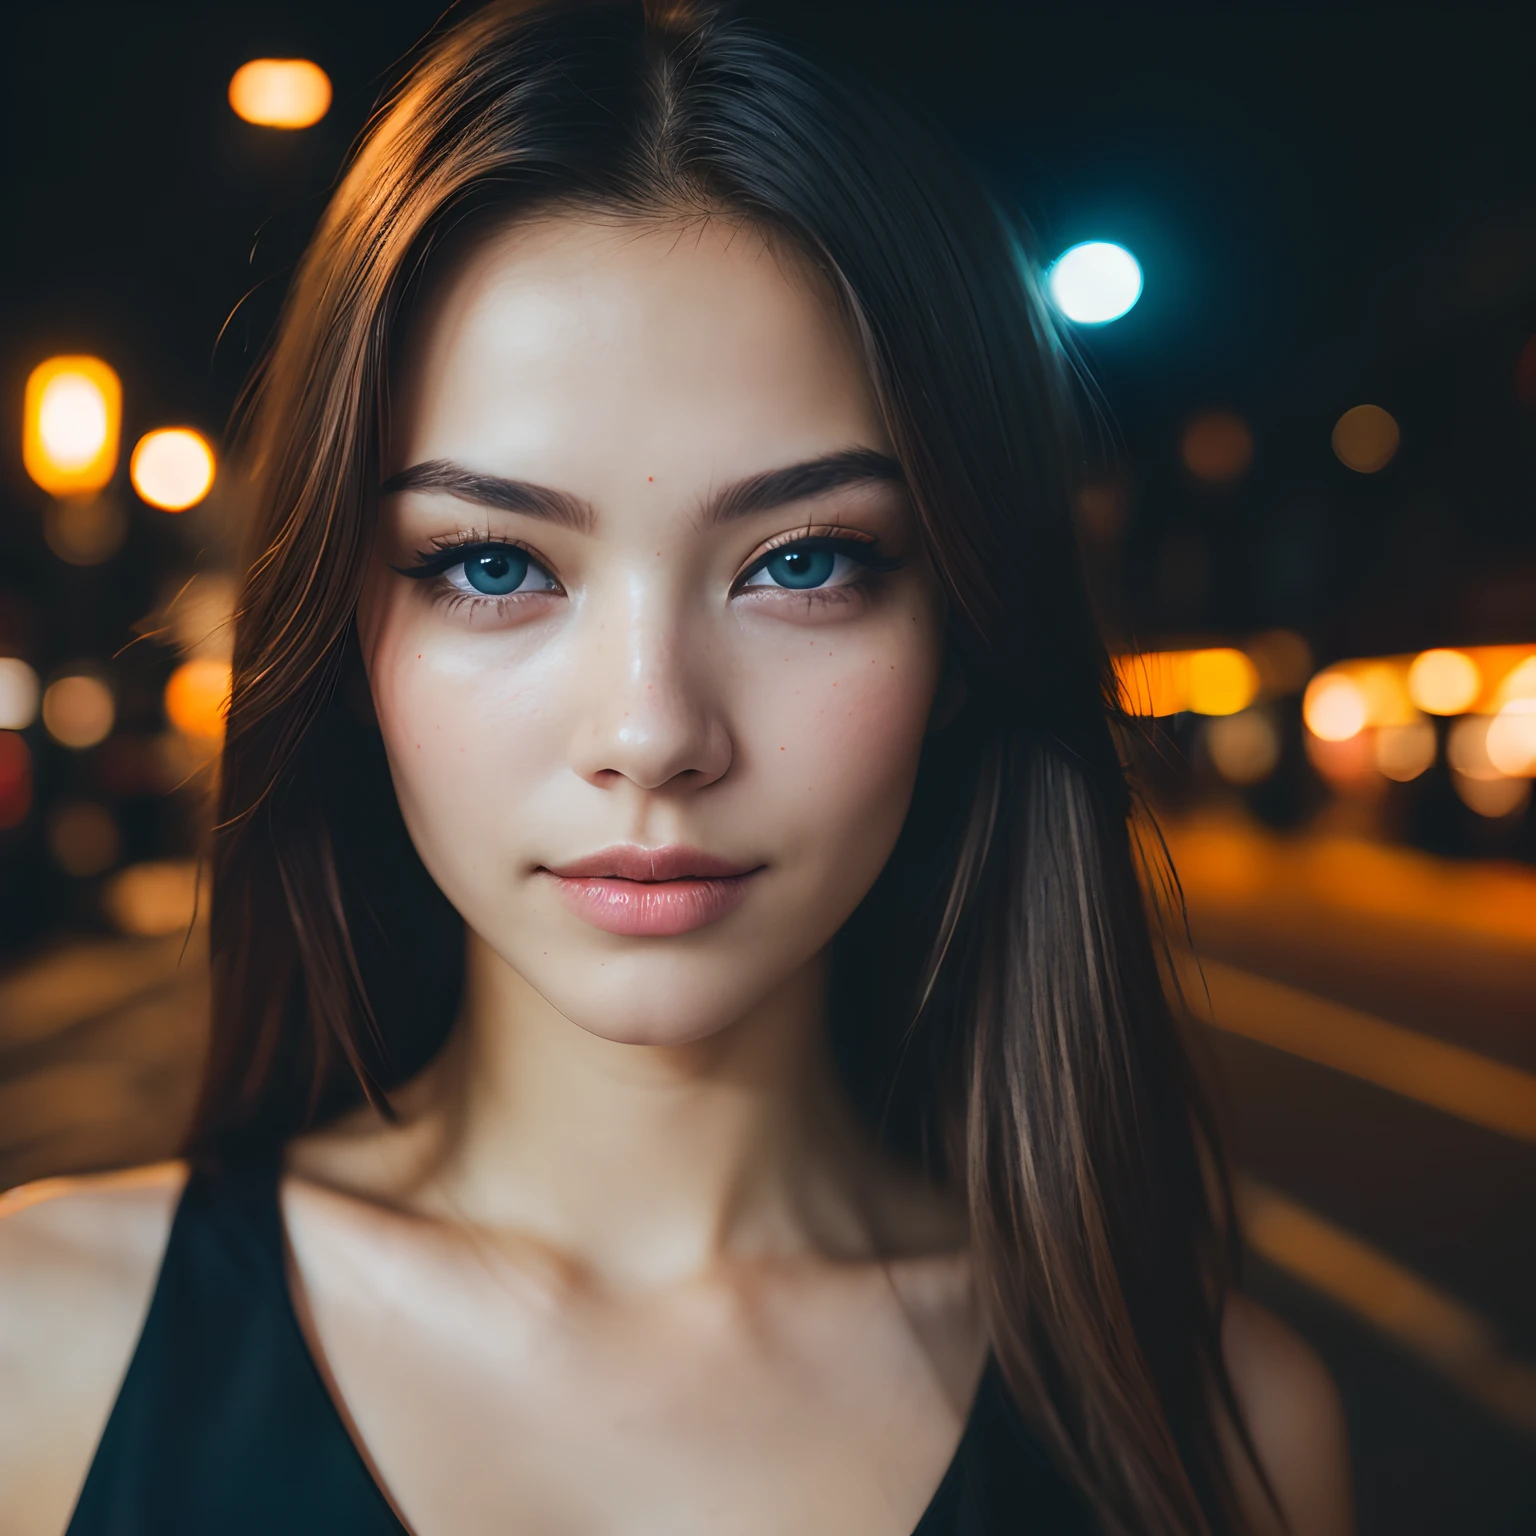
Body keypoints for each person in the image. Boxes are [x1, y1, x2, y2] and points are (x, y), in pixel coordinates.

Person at [0, 2, 1352, 1532]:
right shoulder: (37, 1350)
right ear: (340, 637)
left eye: (808, 561)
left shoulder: (1223, 1433)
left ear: (968, 630)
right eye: (495, 565)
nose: (651, 731)